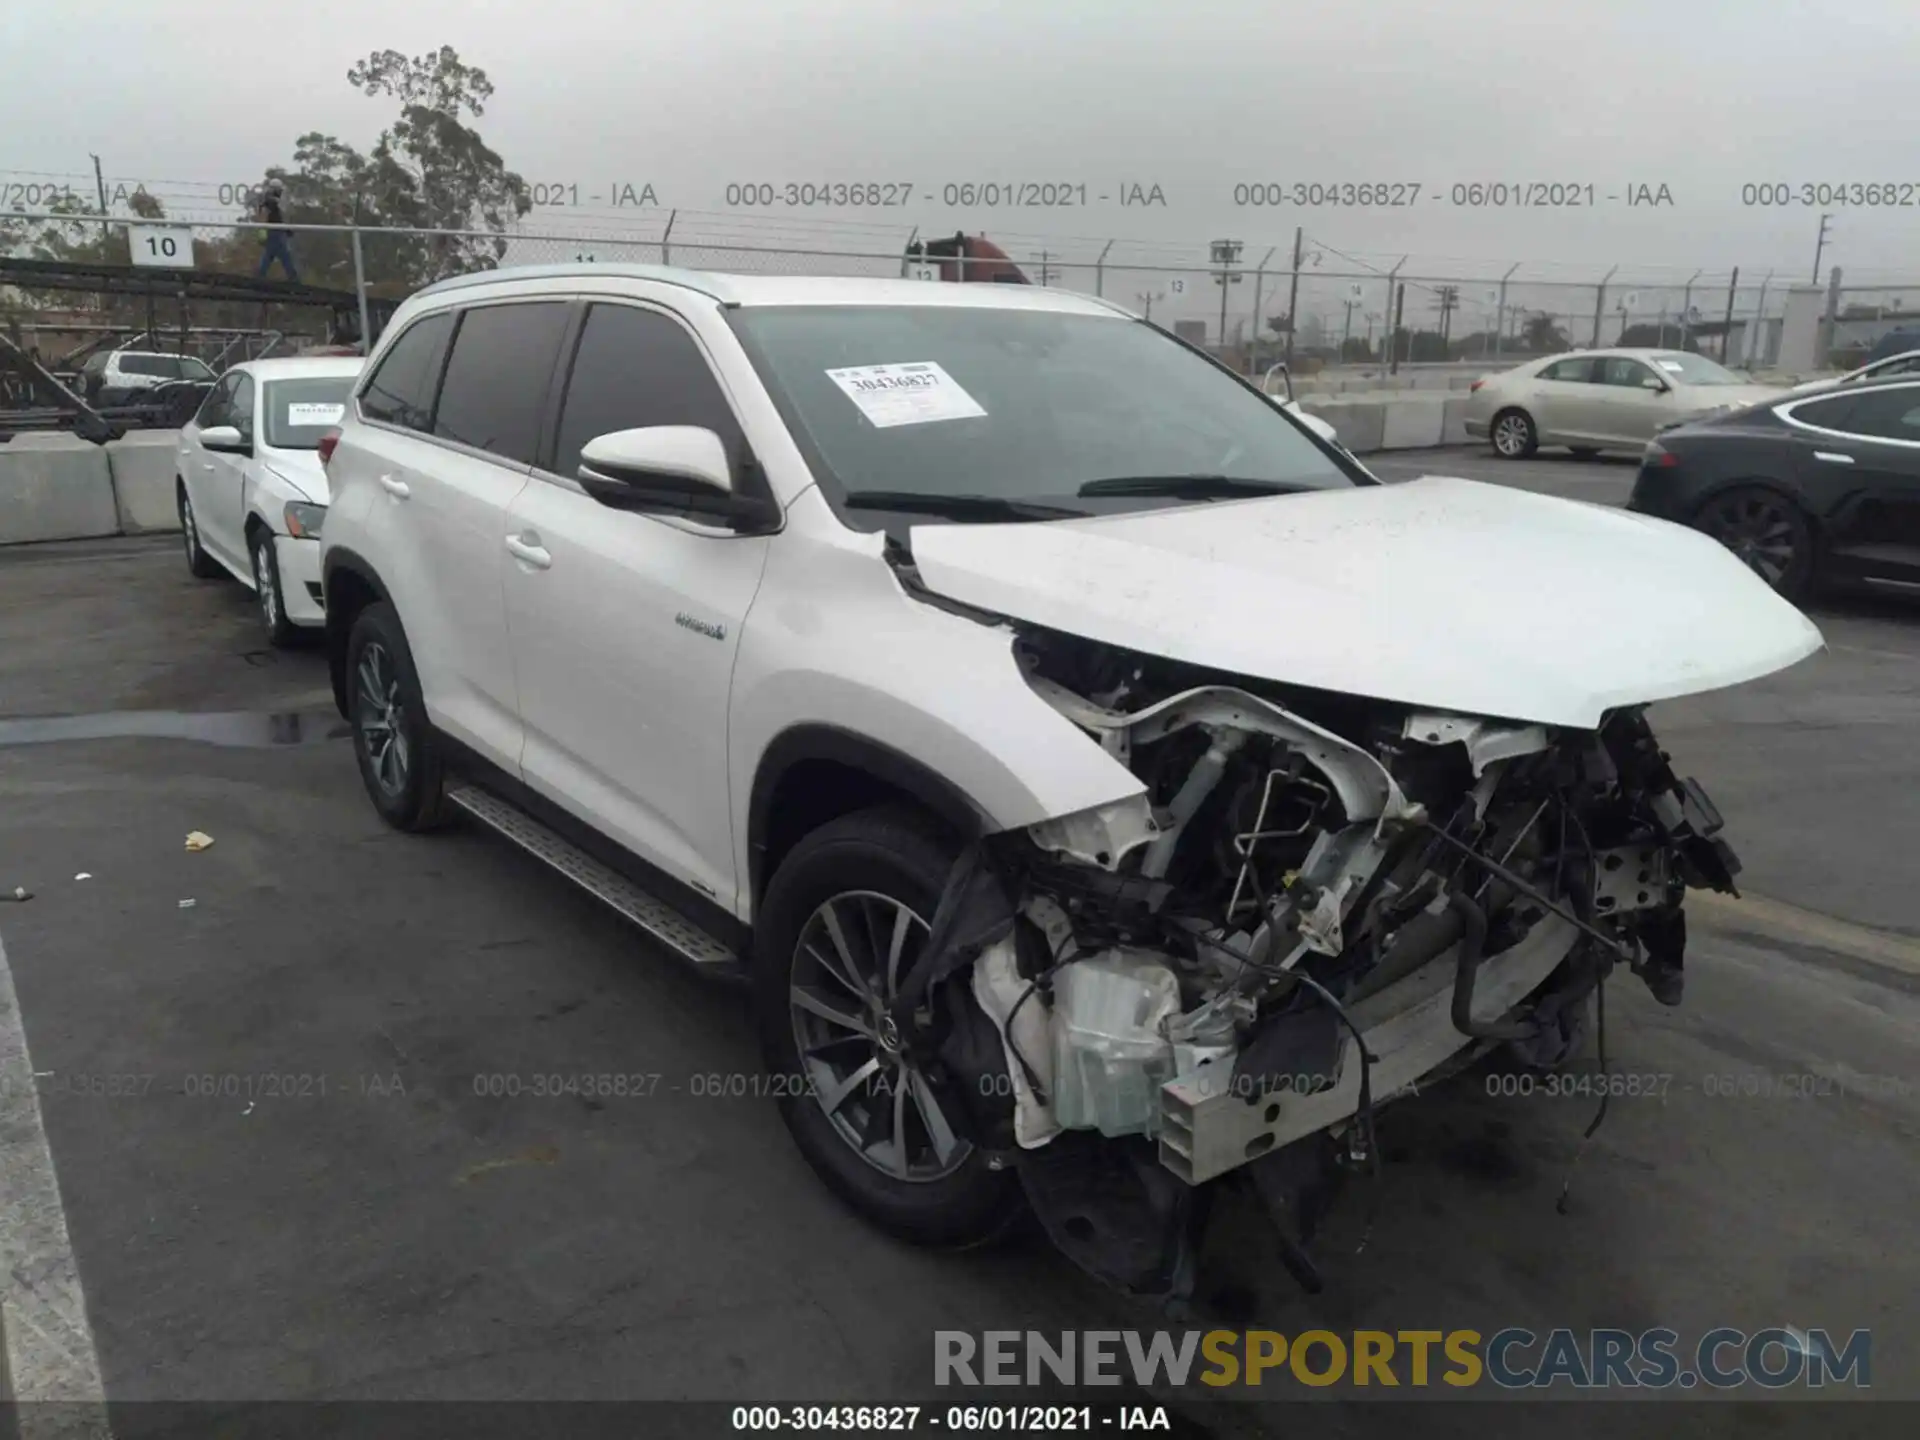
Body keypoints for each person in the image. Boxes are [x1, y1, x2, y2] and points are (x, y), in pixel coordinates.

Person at [255, 179, 299, 282]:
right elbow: (276, 218)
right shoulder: (271, 201)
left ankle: (260, 276)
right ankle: (294, 278)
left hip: (275, 231)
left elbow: (277, 217)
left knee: (269, 255)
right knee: (284, 255)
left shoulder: (269, 200)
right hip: (275, 232)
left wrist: (287, 229)